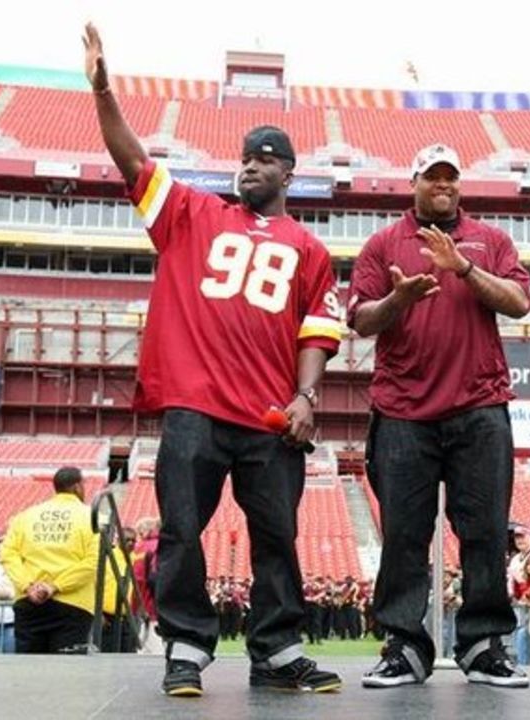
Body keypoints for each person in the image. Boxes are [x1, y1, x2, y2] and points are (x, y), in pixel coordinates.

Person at [83, 23, 344, 696]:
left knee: (278, 536)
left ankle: (278, 649)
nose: (250, 166)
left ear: (288, 172)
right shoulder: (192, 214)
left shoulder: (311, 250)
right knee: (180, 530)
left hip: (268, 415)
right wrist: (104, 90)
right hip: (196, 402)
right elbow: (132, 160)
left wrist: (306, 398)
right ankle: (187, 646)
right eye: (246, 158)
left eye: (265, 158)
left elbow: (318, 330)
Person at [349, 143, 530, 689]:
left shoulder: (491, 240)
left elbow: (519, 302)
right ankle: (404, 645)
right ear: (415, 182)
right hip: (404, 409)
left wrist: (464, 267)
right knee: (404, 533)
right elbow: (360, 320)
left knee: (485, 531)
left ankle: (482, 644)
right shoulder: (383, 244)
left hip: (479, 405)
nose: (444, 186)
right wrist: (400, 300)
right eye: (433, 177)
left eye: (451, 177)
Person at [0, 466, 98, 655]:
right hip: (73, 605)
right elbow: (93, 561)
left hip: (29, 602)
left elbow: (7, 555)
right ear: (78, 487)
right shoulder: (91, 517)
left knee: (28, 671)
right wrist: (55, 586)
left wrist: (28, 586)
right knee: (66, 674)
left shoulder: (25, 516)